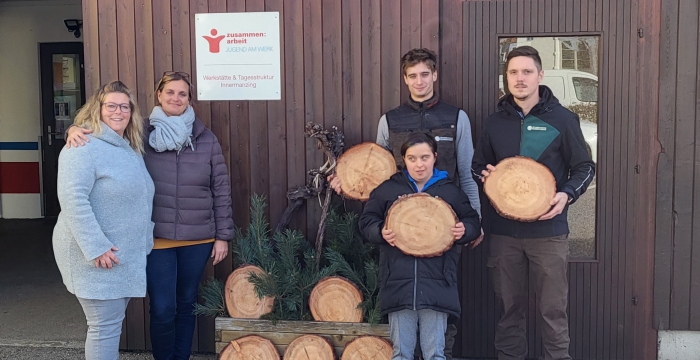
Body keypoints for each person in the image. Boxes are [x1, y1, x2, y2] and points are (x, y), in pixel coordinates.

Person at [66, 72, 234, 360]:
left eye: (182, 94)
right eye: (170, 92)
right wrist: (75, 128)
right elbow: (104, 135)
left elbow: (221, 188)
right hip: (156, 239)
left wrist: (222, 236)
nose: (175, 98)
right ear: (159, 95)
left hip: (198, 237)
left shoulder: (206, 139)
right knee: (163, 307)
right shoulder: (138, 134)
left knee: (186, 303)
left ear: (189, 99)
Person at [329, 48, 482, 359]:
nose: (420, 81)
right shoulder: (390, 120)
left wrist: (472, 224)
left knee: (439, 311)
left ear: (435, 75)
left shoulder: (456, 118)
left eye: (425, 74)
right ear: (405, 79)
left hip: (443, 226)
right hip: (400, 236)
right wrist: (347, 180)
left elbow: (466, 173)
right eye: (413, 76)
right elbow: (376, 175)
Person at [471, 46, 595, 360]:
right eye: (513, 72)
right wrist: (485, 175)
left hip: (549, 234)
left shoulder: (563, 119)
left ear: (540, 75)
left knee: (552, 311)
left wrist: (566, 194)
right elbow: (477, 164)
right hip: (504, 235)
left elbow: (584, 167)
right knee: (509, 310)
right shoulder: (494, 123)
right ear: (506, 79)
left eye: (527, 72)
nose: (520, 78)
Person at [53, 80, 155, 360]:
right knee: (104, 328)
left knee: (108, 325)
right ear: (97, 109)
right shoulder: (83, 145)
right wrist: (96, 246)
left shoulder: (128, 148)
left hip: (119, 255)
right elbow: (72, 198)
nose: (118, 111)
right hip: (96, 255)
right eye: (111, 105)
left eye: (125, 106)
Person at [359, 132, 481, 360]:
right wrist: (379, 232)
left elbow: (472, 220)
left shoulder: (450, 191)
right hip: (398, 283)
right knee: (401, 353)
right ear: (403, 160)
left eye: (425, 157)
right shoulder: (387, 190)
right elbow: (366, 221)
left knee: (435, 353)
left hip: (438, 283)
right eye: (412, 158)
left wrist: (465, 229)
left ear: (435, 157)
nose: (419, 164)